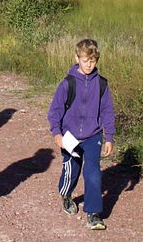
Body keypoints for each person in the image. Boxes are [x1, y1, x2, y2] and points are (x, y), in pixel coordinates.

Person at [47, 38, 115, 231]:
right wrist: (57, 133)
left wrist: (108, 136)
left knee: (92, 172)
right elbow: (55, 111)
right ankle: (67, 195)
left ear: (97, 60)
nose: (89, 64)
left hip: (93, 135)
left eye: (93, 61)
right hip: (70, 135)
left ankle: (93, 213)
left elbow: (108, 111)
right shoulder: (68, 83)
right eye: (85, 60)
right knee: (72, 169)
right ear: (77, 58)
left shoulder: (101, 84)